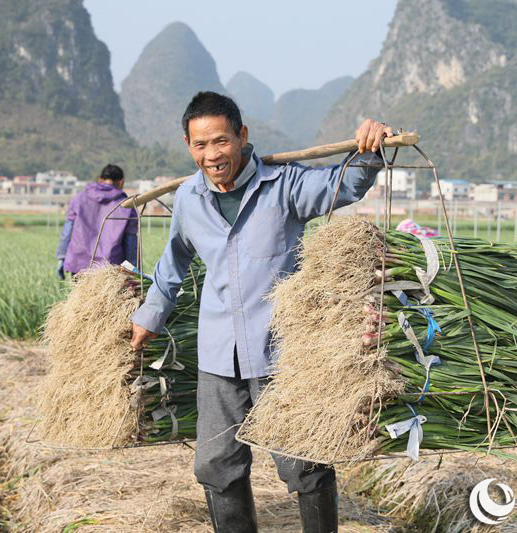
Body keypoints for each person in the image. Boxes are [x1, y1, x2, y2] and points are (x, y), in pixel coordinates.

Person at [129, 91, 392, 533]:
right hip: (217, 357)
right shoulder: (189, 199)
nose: (212, 155)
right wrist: (149, 316)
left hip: (280, 354)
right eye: (200, 145)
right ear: (188, 147)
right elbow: (171, 265)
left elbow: (341, 185)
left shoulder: (283, 186)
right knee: (216, 465)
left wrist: (370, 150)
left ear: (242, 136)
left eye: (221, 141)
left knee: (303, 463)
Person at [55, 164, 138, 278]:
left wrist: (62, 256)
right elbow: (131, 240)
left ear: (100, 179)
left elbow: (68, 229)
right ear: (121, 182)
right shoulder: (126, 205)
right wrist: (132, 268)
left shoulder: (79, 198)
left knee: (81, 296)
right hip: (109, 269)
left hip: (79, 264)